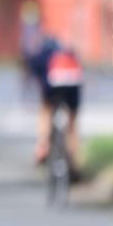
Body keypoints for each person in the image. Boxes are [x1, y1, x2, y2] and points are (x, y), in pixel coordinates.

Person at [23, 33, 84, 178]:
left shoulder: (41, 56)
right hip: (73, 85)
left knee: (45, 109)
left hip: (52, 86)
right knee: (72, 123)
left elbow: (37, 79)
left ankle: (43, 146)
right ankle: (73, 161)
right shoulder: (68, 53)